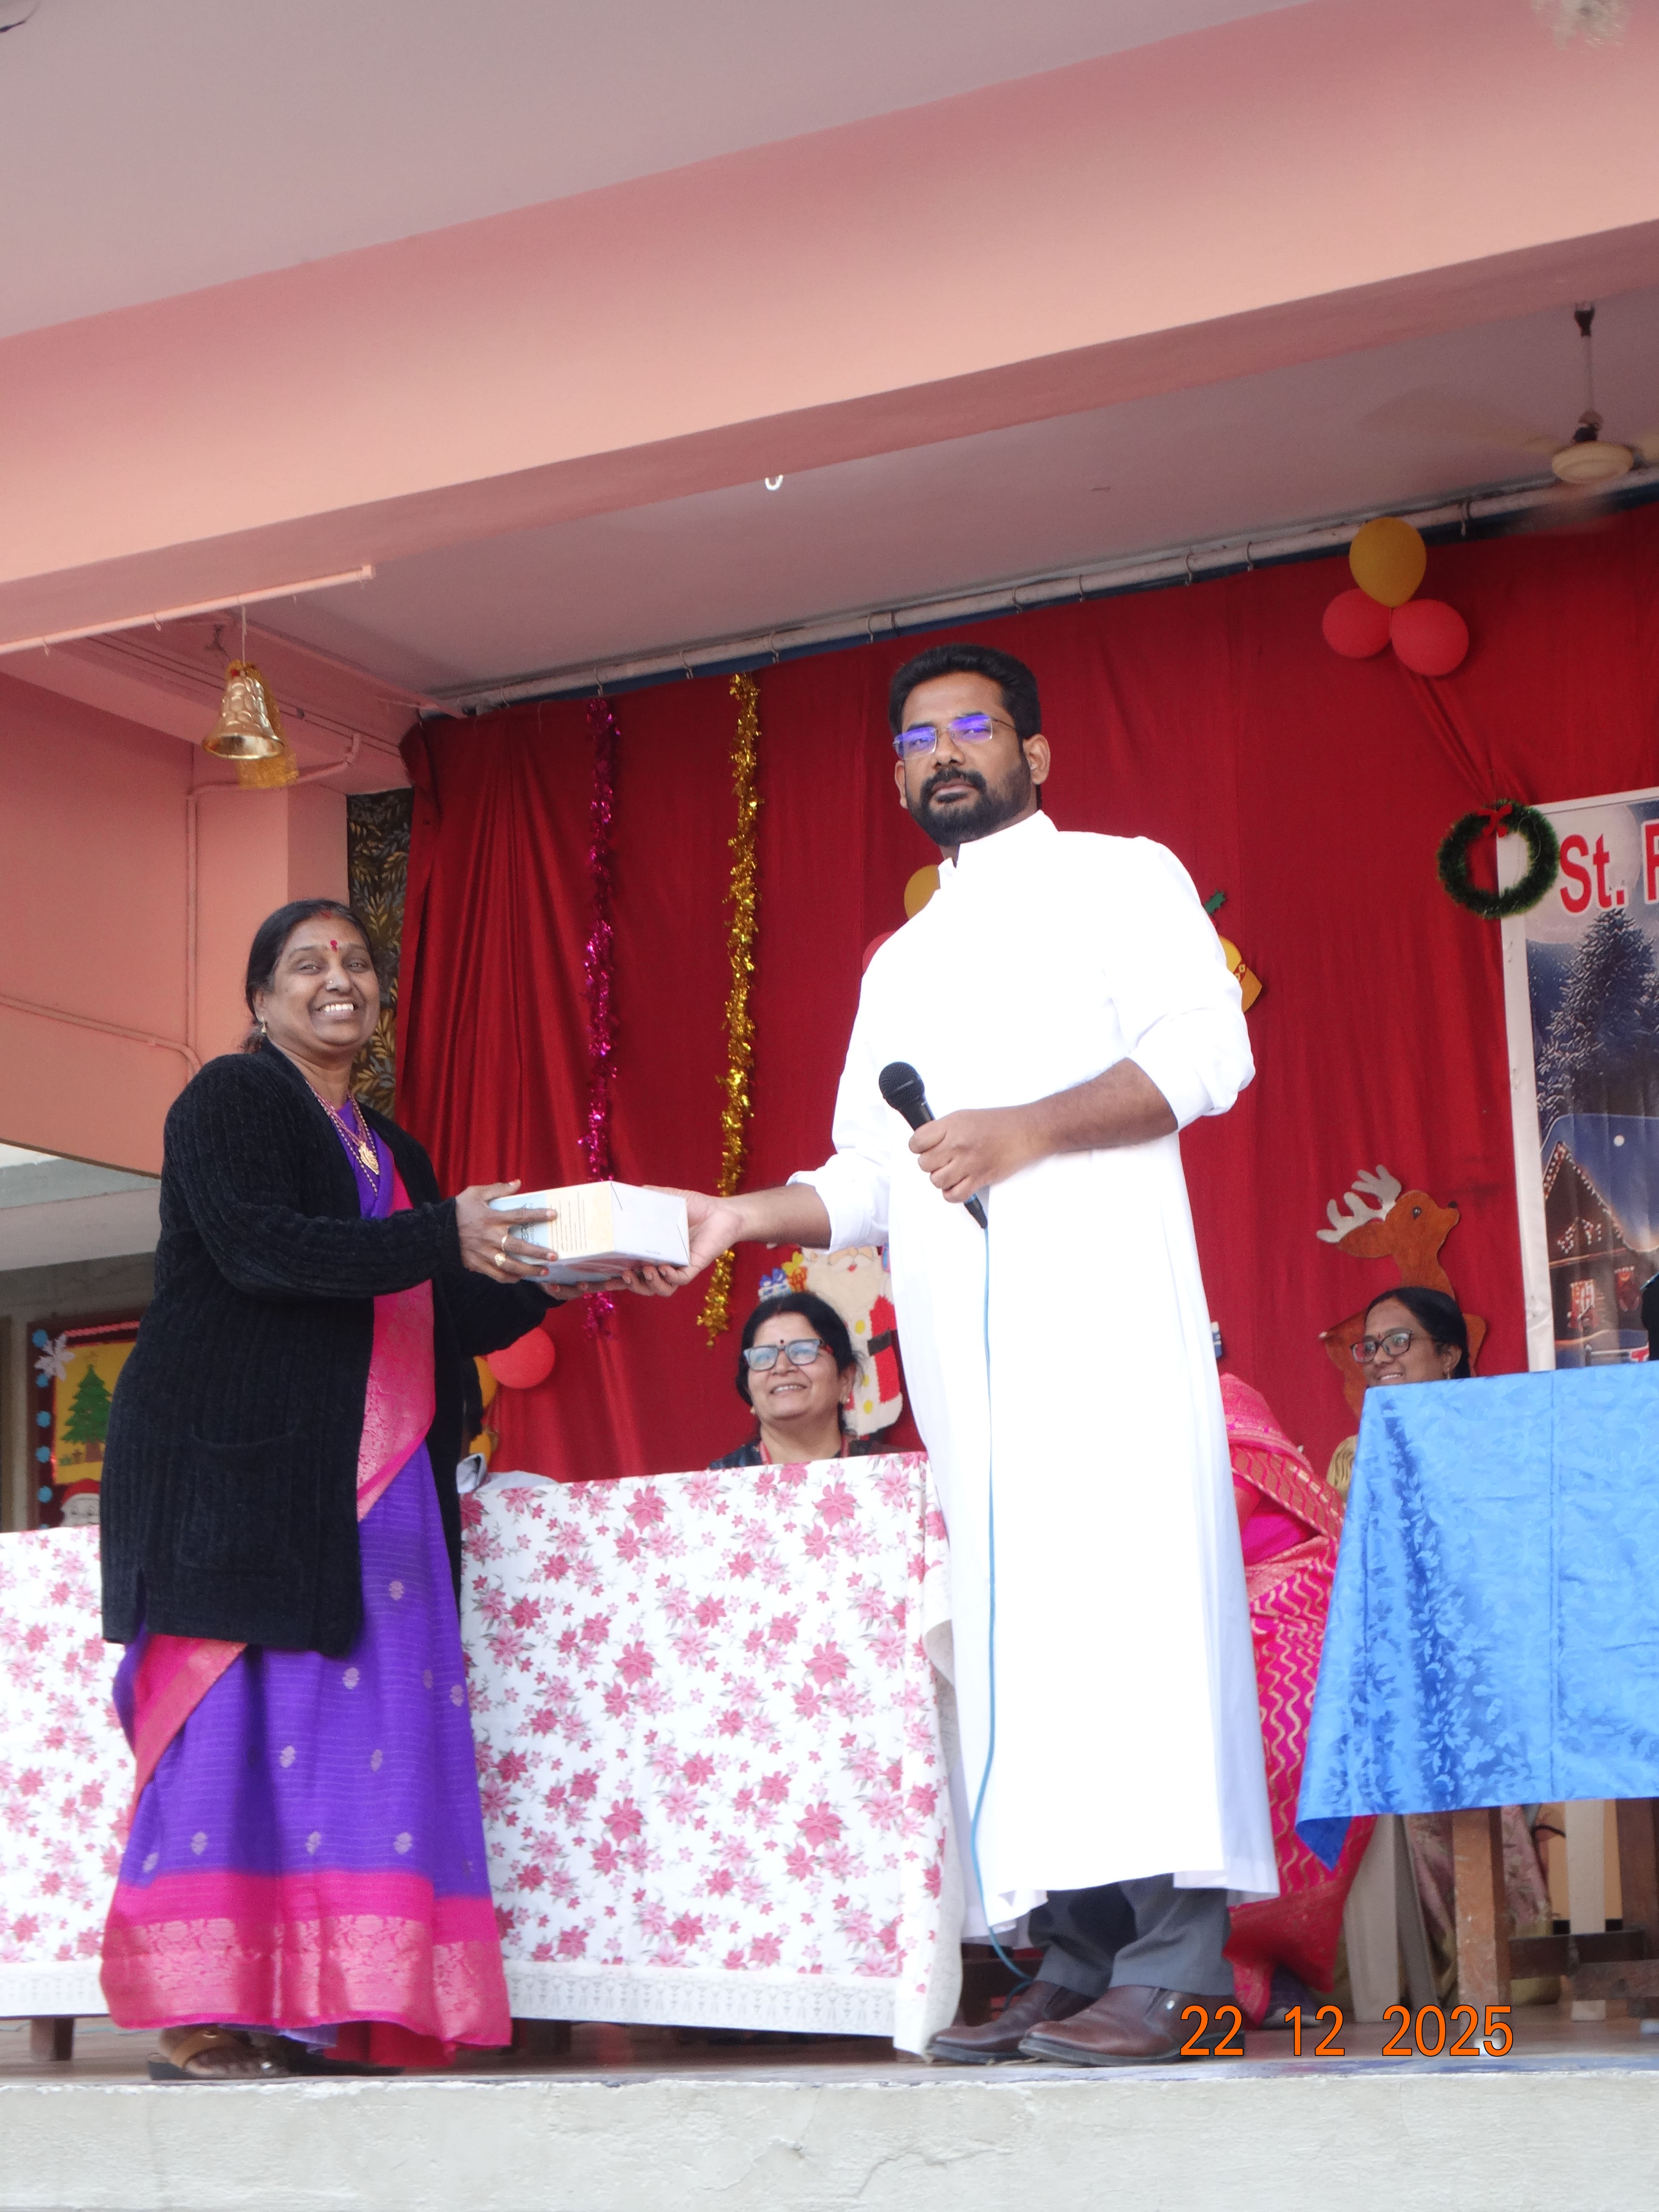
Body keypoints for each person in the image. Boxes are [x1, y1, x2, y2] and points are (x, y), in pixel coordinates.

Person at [633, 641, 1274, 2066]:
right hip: (970, 1380)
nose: (942, 753)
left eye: (971, 726)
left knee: (1132, 1624)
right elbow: (869, 1174)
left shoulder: (1122, 876)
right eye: (916, 740)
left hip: (1102, 1332)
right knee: (1020, 1652)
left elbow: (1205, 1053)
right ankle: (1075, 1953)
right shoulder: (902, 960)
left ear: (1033, 753)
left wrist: (1027, 1129)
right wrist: (739, 1214)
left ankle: (1176, 1965)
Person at [98, 898, 609, 2079]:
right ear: (260, 999)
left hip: (384, 1491)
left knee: (366, 1734)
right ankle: (208, 2008)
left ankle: (345, 2004)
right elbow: (263, 1248)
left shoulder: (393, 1149)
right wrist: (443, 1232)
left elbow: (448, 1306)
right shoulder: (229, 1099)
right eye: (307, 963)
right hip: (245, 1483)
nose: (340, 978)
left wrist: (564, 1276)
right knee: (237, 1727)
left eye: (359, 962)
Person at [1351, 1285, 1553, 1993]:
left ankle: (1503, 1965)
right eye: (1370, 1345)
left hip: (1482, 1667)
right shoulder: (1358, 1452)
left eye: (1399, 1341)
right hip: (1391, 1671)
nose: (1380, 1357)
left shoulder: (1490, 1439)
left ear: (1448, 1353)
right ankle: (1411, 1974)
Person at [1216, 1374, 1373, 2028]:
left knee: (1280, 1749)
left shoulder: (1230, 1444)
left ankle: (1257, 1962)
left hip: (1302, 1633)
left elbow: (1201, 1554)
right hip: (1236, 1631)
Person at [709, 1290, 869, 1468]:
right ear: (748, 1389)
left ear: (846, 1379)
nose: (782, 1368)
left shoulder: (889, 1471)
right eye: (763, 1357)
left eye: (803, 1351)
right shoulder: (720, 1481)